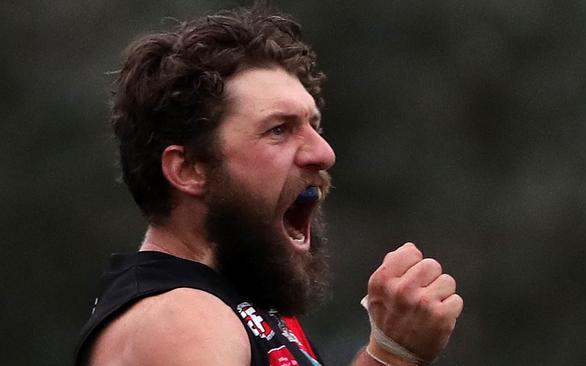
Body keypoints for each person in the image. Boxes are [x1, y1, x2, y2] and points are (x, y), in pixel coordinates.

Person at [75, 3, 463, 366]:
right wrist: (391, 355)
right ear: (189, 169)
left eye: (315, 125)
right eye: (279, 130)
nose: (324, 153)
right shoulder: (182, 319)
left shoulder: (241, 305)